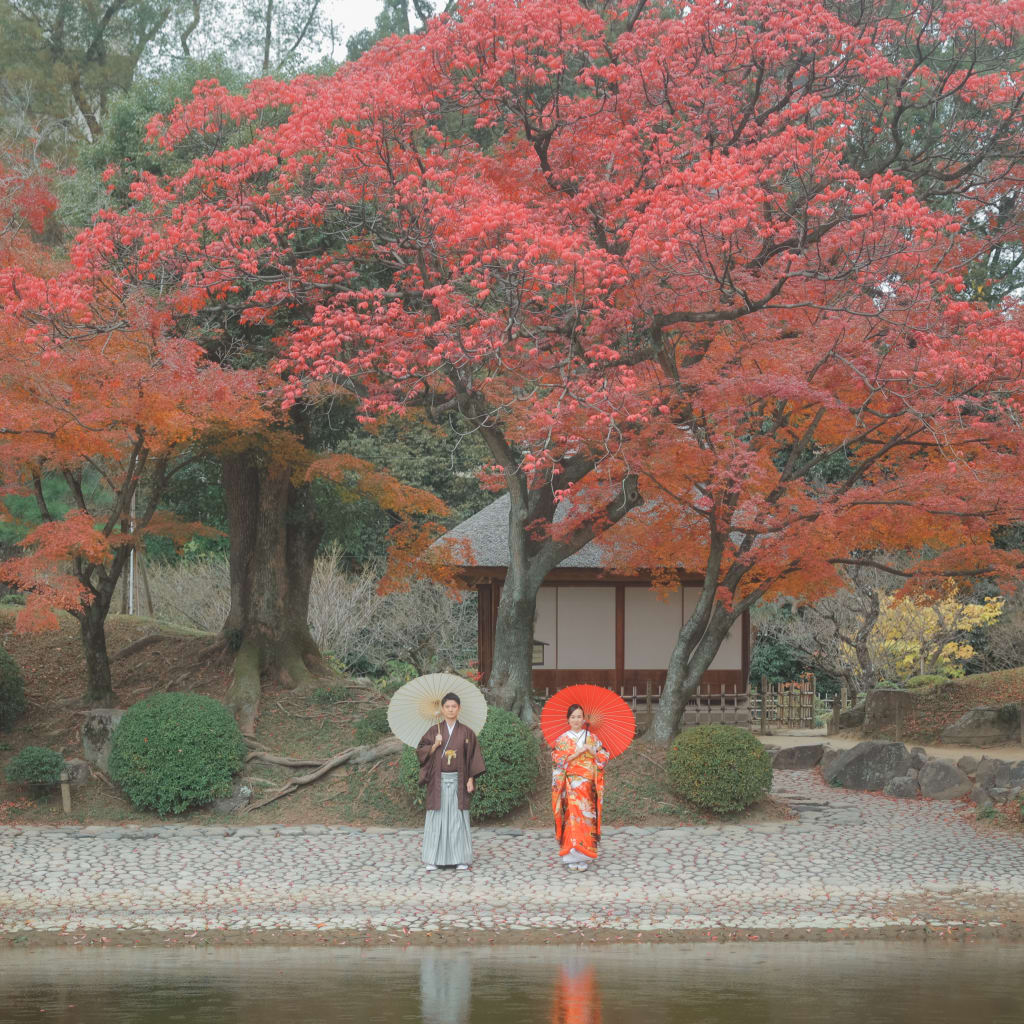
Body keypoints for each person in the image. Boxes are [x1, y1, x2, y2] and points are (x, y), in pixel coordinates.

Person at [416, 692, 485, 871]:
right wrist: (434, 746)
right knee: (436, 818)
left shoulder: (467, 732)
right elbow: (421, 752)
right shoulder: (434, 731)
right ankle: (433, 858)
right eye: (447, 706)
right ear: (442, 709)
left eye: (454, 706)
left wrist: (471, 778)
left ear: (459, 708)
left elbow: (472, 757)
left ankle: (460, 858)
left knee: (457, 820)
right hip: (438, 782)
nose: (451, 709)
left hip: (458, 781)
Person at [551, 704, 609, 871]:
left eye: (579, 716)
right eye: (573, 717)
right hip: (570, 784)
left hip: (588, 784)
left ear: (584, 719)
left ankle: (584, 856)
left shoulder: (592, 738)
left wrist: (592, 751)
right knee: (572, 818)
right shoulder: (562, 739)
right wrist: (576, 753)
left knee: (586, 817)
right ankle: (570, 856)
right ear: (568, 719)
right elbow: (557, 758)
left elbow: (604, 756)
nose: (576, 720)